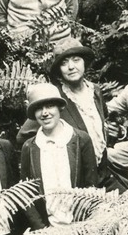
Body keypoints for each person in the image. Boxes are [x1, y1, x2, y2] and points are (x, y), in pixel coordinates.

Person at [19, 80, 97, 224]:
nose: (45, 113)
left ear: (59, 107)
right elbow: (26, 194)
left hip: (80, 226)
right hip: (47, 231)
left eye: (49, 106)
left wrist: (84, 223)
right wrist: (40, 228)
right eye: (38, 108)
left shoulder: (81, 140)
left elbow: (91, 187)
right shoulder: (29, 148)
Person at [47, 33, 110, 182]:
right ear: (59, 70)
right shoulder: (55, 97)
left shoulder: (95, 91)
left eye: (76, 60)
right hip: (76, 178)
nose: (71, 67)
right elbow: (25, 135)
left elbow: (102, 126)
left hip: (103, 172)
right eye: (64, 63)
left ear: (84, 63)